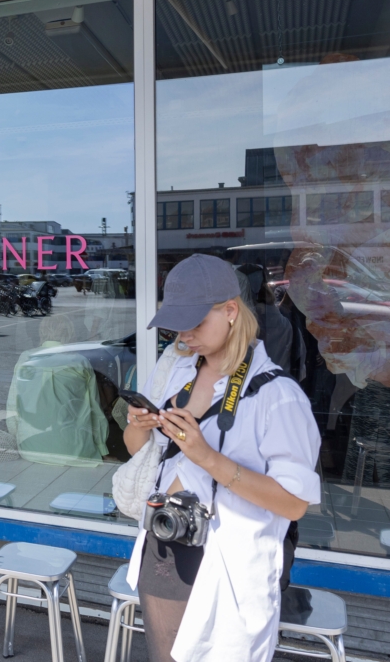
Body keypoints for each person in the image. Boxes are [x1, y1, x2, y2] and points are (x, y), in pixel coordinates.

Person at [123, 254, 321, 661]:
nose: (185, 335)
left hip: (230, 568)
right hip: (162, 548)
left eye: (196, 322)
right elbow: (140, 455)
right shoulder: (177, 371)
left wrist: (207, 458)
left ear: (231, 311)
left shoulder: (279, 397)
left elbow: (295, 503)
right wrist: (138, 426)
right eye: (178, 323)